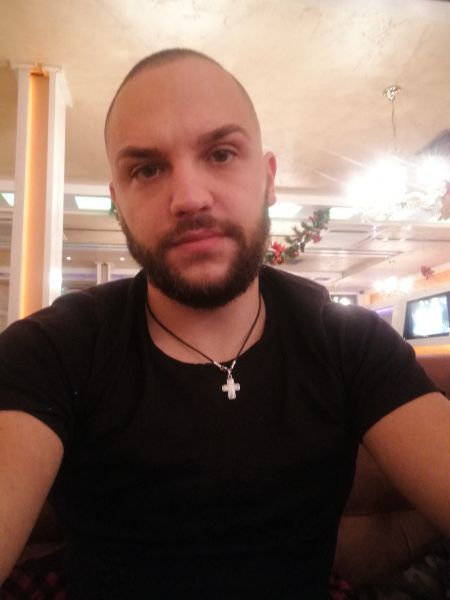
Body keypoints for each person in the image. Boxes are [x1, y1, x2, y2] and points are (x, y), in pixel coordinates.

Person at [0, 48, 449, 599]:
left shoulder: (349, 342)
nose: (190, 198)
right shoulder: (52, 348)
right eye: (147, 169)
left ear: (269, 179)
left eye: (221, 153)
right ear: (119, 203)